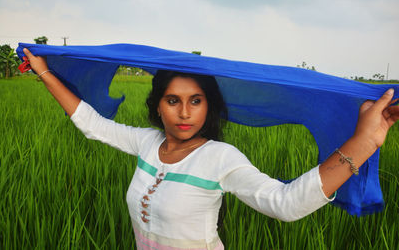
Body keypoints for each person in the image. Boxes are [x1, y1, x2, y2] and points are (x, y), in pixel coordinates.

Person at [23, 48, 399, 250]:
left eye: (196, 101)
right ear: (157, 105)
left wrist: (365, 141)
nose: (185, 113)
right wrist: (43, 70)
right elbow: (93, 125)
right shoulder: (147, 143)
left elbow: (284, 204)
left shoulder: (220, 157)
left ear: (210, 106)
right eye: (173, 100)